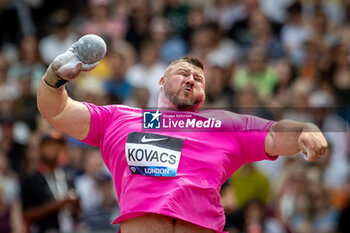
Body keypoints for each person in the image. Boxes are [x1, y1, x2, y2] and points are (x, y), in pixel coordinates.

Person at [37, 43, 327, 233]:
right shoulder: (119, 118)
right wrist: (54, 78)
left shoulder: (223, 124)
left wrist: (305, 129)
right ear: (161, 82)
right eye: (183, 73)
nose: (192, 79)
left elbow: (275, 134)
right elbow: (58, 110)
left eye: (198, 79)